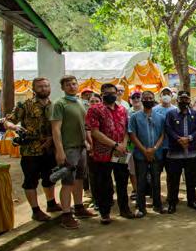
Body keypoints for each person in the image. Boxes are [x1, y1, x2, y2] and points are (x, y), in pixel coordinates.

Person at [4, 77, 61, 222]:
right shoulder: (25, 105)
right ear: (34, 88)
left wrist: (51, 139)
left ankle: (51, 203)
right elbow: (8, 120)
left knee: (50, 178)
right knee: (31, 180)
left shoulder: (54, 105)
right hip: (31, 150)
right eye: (40, 86)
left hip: (49, 149)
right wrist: (14, 126)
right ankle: (35, 210)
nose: (44, 89)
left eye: (46, 86)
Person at [51, 75, 96, 229]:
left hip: (81, 147)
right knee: (67, 182)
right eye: (68, 84)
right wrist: (60, 151)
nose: (71, 86)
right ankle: (66, 214)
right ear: (63, 88)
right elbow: (56, 129)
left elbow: (83, 125)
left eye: (74, 83)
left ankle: (79, 207)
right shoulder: (59, 104)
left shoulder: (79, 102)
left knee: (79, 179)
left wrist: (87, 142)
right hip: (68, 148)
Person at [86, 83, 134, 224]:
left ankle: (124, 209)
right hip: (103, 153)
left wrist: (123, 144)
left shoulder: (122, 110)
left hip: (121, 152)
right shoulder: (94, 109)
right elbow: (94, 131)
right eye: (106, 93)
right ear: (101, 94)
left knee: (122, 181)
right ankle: (105, 213)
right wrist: (114, 144)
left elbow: (126, 129)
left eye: (113, 92)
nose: (110, 95)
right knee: (104, 184)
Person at [128, 90, 166, 216]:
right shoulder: (134, 117)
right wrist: (144, 150)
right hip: (140, 154)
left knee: (156, 179)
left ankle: (157, 205)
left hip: (156, 154)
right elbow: (132, 135)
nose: (148, 100)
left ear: (154, 99)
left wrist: (154, 149)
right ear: (142, 100)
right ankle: (141, 207)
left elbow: (162, 135)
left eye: (150, 98)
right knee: (141, 181)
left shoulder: (160, 117)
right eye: (145, 98)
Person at [164, 90, 196, 213]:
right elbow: (168, 129)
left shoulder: (195, 114)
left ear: (189, 100)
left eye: (186, 99)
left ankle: (192, 201)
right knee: (174, 180)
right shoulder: (171, 114)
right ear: (177, 100)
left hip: (191, 152)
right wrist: (178, 139)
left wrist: (189, 138)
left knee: (191, 179)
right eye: (181, 99)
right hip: (175, 153)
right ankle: (172, 203)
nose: (184, 101)